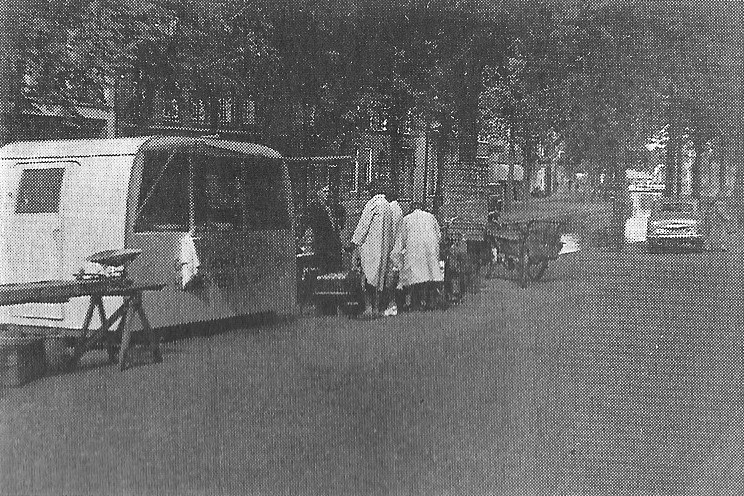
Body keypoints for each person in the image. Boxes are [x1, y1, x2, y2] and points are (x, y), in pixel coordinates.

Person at [347, 181, 394, 317]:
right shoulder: (387, 206)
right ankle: (376, 308)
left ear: (372, 191)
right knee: (379, 279)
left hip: (370, 247)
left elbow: (363, 225)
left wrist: (354, 243)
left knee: (367, 278)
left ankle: (368, 308)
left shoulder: (373, 204)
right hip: (383, 248)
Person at [391, 201, 444, 310]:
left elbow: (400, 242)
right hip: (430, 250)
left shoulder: (406, 219)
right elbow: (438, 236)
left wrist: (396, 258)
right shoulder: (431, 217)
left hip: (414, 252)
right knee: (429, 275)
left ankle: (416, 303)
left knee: (415, 277)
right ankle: (430, 301)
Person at [299, 186, 343, 273]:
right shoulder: (314, 207)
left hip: (333, 245)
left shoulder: (333, 207)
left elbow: (337, 225)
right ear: (319, 193)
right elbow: (304, 221)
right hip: (321, 245)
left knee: (334, 272)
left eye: (328, 192)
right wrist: (300, 236)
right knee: (322, 270)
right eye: (325, 191)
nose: (327, 194)